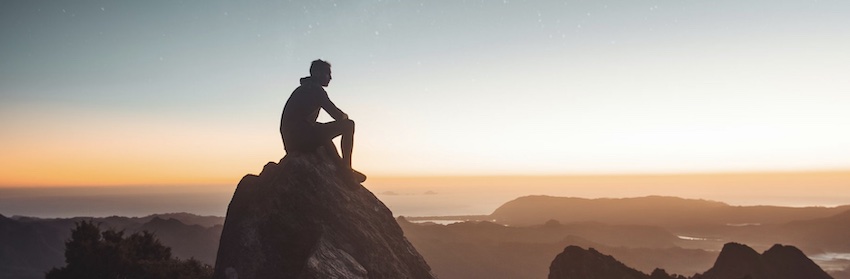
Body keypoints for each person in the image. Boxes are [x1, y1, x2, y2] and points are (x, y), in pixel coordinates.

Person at [280, 59, 366, 183]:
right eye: (328, 74)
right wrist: (345, 116)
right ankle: (347, 170)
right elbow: (336, 114)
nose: (330, 78)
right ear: (317, 73)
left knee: (322, 134)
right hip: (300, 138)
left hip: (292, 140)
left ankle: (342, 168)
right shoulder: (315, 89)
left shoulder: (304, 88)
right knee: (348, 125)